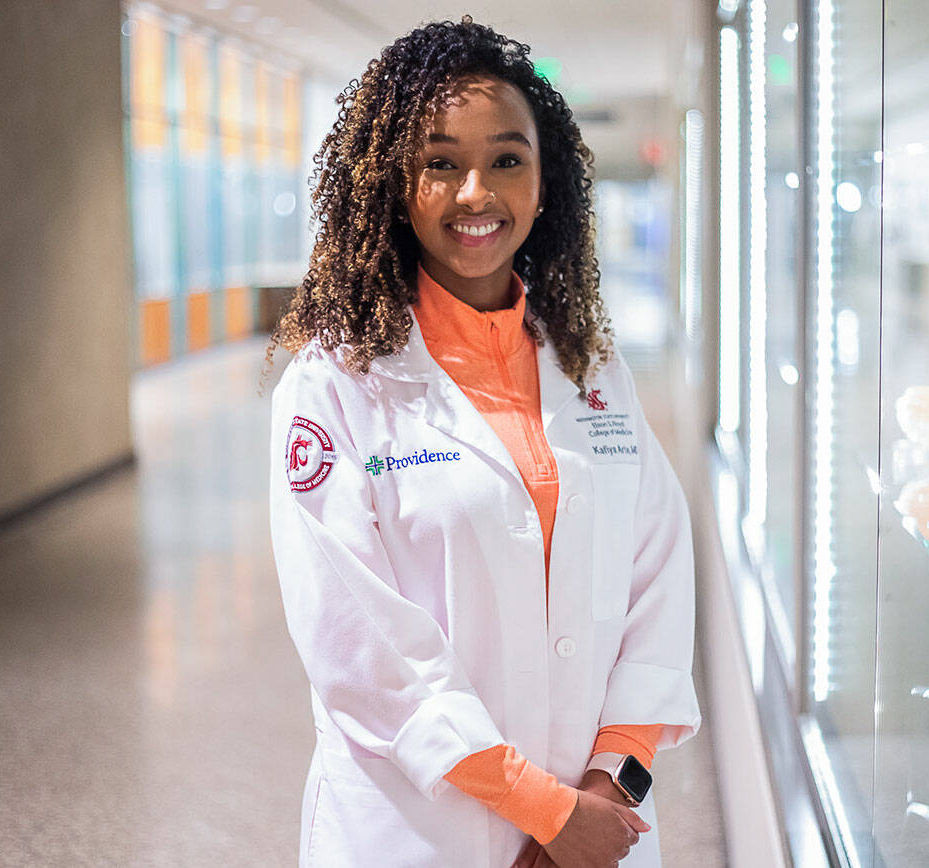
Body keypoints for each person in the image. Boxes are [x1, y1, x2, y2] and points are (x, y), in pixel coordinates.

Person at [267, 18, 699, 868]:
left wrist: (607, 791)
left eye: (507, 158)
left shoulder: (591, 369)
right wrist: (541, 808)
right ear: (395, 183)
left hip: (593, 825)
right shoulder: (334, 386)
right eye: (439, 162)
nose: (477, 192)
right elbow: (360, 644)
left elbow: (659, 580)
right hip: (422, 832)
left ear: (547, 182)